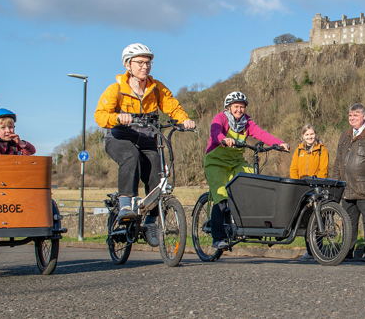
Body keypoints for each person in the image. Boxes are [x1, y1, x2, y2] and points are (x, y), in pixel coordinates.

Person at [94, 43, 195, 247]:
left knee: (158, 174)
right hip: (120, 138)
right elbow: (100, 115)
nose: (145, 67)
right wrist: (117, 117)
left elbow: (171, 105)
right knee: (131, 156)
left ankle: (150, 223)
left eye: (148, 63)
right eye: (139, 63)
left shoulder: (156, 87)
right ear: (127, 65)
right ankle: (124, 207)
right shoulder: (116, 89)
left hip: (148, 139)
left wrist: (184, 120)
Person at [204, 91, 289, 250]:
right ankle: (218, 238)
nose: (239, 110)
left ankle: (251, 228)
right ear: (229, 107)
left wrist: (279, 143)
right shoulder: (220, 118)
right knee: (221, 197)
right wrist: (224, 139)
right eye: (236, 106)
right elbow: (215, 133)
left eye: (242, 107)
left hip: (236, 162)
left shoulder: (247, 122)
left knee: (253, 184)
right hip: (216, 162)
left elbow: (261, 134)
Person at [332, 104, 365, 263]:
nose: (352, 118)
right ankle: (346, 252)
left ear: (364, 116)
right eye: (350, 115)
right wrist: (335, 184)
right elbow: (338, 163)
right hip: (347, 189)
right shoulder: (344, 135)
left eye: (355, 115)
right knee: (348, 224)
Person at [290, 123, 329, 261]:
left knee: (317, 219)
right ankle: (310, 251)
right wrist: (297, 183)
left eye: (311, 134)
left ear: (315, 134)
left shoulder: (321, 150)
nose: (309, 137)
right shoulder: (298, 151)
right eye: (307, 134)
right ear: (303, 136)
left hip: (316, 187)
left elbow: (323, 169)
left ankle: (318, 250)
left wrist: (316, 181)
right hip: (302, 188)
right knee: (306, 220)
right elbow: (293, 169)